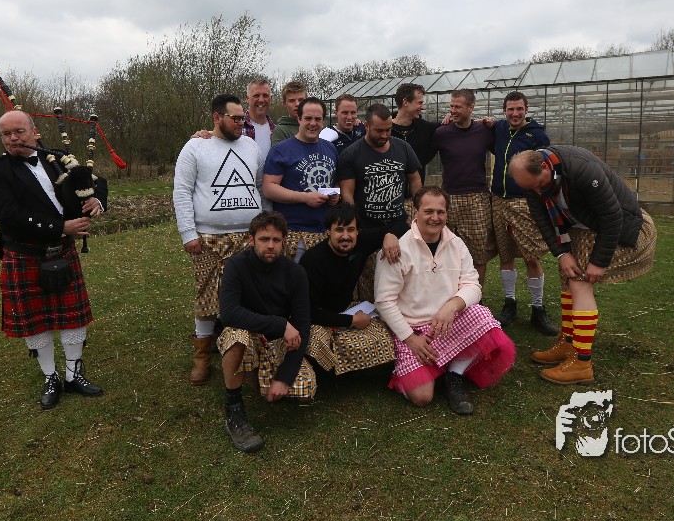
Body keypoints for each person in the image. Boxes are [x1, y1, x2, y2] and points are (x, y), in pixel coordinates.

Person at [0, 110, 106, 409]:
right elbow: (9, 215)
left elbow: (95, 180)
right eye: (7, 134)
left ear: (34, 132)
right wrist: (61, 227)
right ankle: (51, 377)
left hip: (62, 252)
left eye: (19, 131)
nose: (13, 138)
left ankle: (74, 375)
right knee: (37, 324)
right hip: (25, 254)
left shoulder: (56, 158)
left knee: (72, 318)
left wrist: (96, 199)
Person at [509, 147, 657, 385]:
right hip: (583, 228)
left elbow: (612, 216)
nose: (537, 192)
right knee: (568, 277)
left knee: (579, 283)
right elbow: (544, 221)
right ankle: (568, 344)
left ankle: (582, 362)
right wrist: (561, 253)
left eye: (539, 185)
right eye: (530, 189)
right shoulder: (532, 183)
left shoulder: (582, 170)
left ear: (545, 167)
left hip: (623, 227)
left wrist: (599, 262)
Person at [375, 187, 516, 414]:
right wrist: (410, 339)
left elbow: (473, 285)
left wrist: (452, 306)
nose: (435, 217)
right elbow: (384, 301)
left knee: (482, 316)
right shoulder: (398, 248)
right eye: (428, 211)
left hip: (446, 323)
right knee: (422, 398)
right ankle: (420, 370)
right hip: (413, 330)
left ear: (447, 213)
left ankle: (453, 374)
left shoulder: (456, 244)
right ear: (415, 212)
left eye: (440, 212)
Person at [173, 94, 263, 385]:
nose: (241, 123)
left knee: (248, 295)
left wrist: (264, 227)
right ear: (216, 117)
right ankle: (202, 357)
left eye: (243, 119)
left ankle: (248, 348)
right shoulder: (195, 147)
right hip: (208, 237)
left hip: (248, 237)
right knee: (207, 297)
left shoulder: (250, 146)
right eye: (235, 118)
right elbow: (182, 191)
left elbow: (259, 185)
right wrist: (188, 233)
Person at [218, 212, 315, 452]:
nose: (270, 245)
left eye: (276, 240)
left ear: (284, 241)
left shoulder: (296, 273)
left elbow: (303, 325)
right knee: (235, 337)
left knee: (305, 391)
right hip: (247, 333)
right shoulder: (235, 265)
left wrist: (284, 377)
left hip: (277, 341)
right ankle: (234, 408)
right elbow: (229, 314)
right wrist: (280, 324)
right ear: (251, 240)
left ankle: (259, 377)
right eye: (264, 239)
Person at [299, 204, 403, 375]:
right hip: (318, 317)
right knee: (316, 341)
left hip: (347, 307)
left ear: (358, 231)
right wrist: (351, 321)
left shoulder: (362, 241)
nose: (345, 236)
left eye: (350, 230)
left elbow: (402, 226)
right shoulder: (312, 260)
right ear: (328, 232)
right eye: (339, 230)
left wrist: (390, 235)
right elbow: (309, 312)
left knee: (388, 332)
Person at [490, 91, 556, 334]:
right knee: (505, 254)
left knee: (531, 255)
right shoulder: (499, 129)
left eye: (519, 109)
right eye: (510, 109)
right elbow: (482, 124)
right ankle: (510, 304)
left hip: (524, 202)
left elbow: (544, 170)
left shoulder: (537, 136)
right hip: (498, 200)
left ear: (526, 110)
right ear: (504, 111)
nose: (515, 113)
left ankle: (538, 309)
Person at [431, 89, 497, 285]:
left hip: (477, 198)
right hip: (449, 198)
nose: (453, 110)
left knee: (478, 253)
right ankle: (449, 293)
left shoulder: (484, 131)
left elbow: (504, 148)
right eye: (451, 106)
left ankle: (475, 295)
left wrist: (493, 122)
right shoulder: (442, 133)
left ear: (471, 107)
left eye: (458, 107)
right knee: (445, 251)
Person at [262, 97, 340, 261]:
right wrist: (305, 197)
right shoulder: (281, 150)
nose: (313, 123)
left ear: (323, 120)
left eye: (318, 119)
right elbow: (269, 188)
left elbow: (334, 181)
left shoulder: (330, 148)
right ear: (299, 118)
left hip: (325, 232)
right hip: (294, 234)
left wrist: (334, 195)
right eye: (308, 118)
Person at [338, 103, 422, 231]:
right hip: (367, 227)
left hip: (399, 224)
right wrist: (353, 223)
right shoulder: (351, 154)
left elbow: (415, 179)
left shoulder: (403, 147)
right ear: (367, 126)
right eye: (379, 131)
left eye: (388, 130)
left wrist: (419, 208)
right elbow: (347, 192)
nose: (384, 135)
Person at [391, 82, 440, 182]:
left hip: (416, 190)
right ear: (405, 102)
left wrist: (450, 118)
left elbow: (451, 127)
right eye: (419, 103)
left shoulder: (426, 129)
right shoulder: (384, 130)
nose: (423, 107)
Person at [240, 77, 276, 168]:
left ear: (271, 99)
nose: (261, 100)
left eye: (265, 95)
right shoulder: (236, 127)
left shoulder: (277, 131)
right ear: (247, 98)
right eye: (256, 95)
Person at [269, 79, 308, 146]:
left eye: (301, 100)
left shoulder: (316, 126)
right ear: (284, 103)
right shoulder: (280, 131)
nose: (297, 104)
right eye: (292, 101)